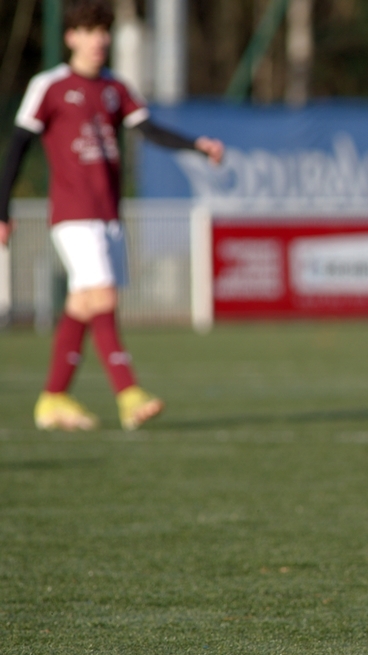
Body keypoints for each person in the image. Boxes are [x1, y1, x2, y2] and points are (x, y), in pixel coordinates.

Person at [0, 0, 224, 431]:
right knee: (103, 297)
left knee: (83, 304)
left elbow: (148, 129)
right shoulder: (49, 85)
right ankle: (128, 393)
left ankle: (53, 399)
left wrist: (196, 145)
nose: (99, 39)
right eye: (89, 30)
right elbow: (18, 147)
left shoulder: (115, 87)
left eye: (103, 30)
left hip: (108, 214)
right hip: (73, 215)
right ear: (71, 37)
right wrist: (2, 210)